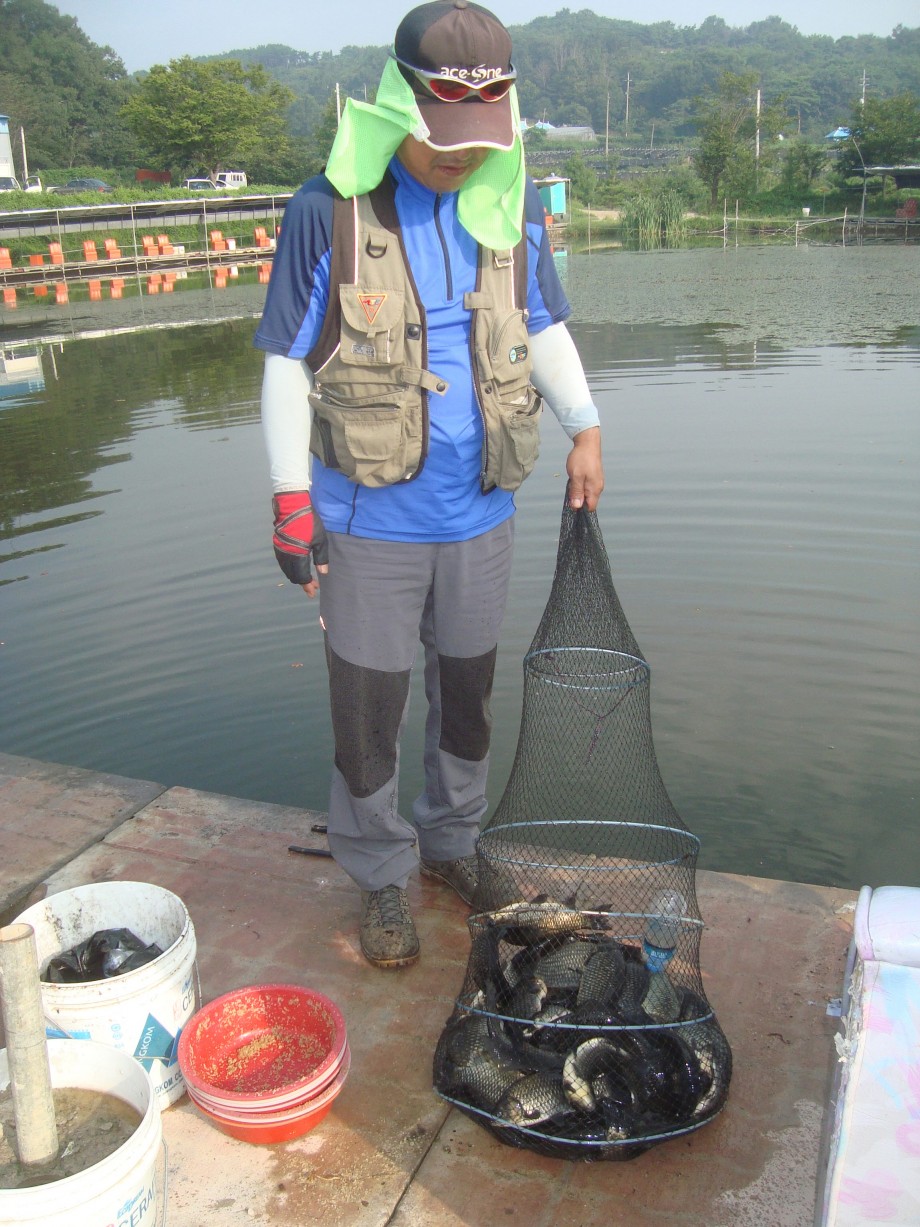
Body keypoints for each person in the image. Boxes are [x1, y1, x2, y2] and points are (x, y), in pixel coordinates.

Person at [255, 0, 604, 970]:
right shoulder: (327, 209)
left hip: (480, 512)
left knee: (467, 695)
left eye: (477, 135)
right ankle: (378, 871)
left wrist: (584, 425)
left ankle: (451, 845)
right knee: (368, 710)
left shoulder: (512, 202)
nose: (460, 155)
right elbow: (286, 359)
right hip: (368, 518)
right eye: (444, 134)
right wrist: (289, 498)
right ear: (397, 106)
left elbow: (540, 324)